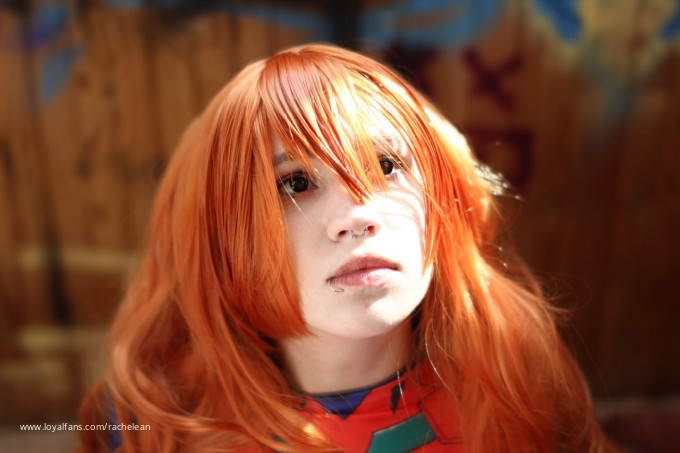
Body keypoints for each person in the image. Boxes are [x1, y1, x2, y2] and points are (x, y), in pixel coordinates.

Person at [78, 43, 616, 452]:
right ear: (220, 237)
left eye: (386, 166)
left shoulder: (523, 386)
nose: (358, 216)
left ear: (443, 192)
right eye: (295, 183)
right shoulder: (149, 423)